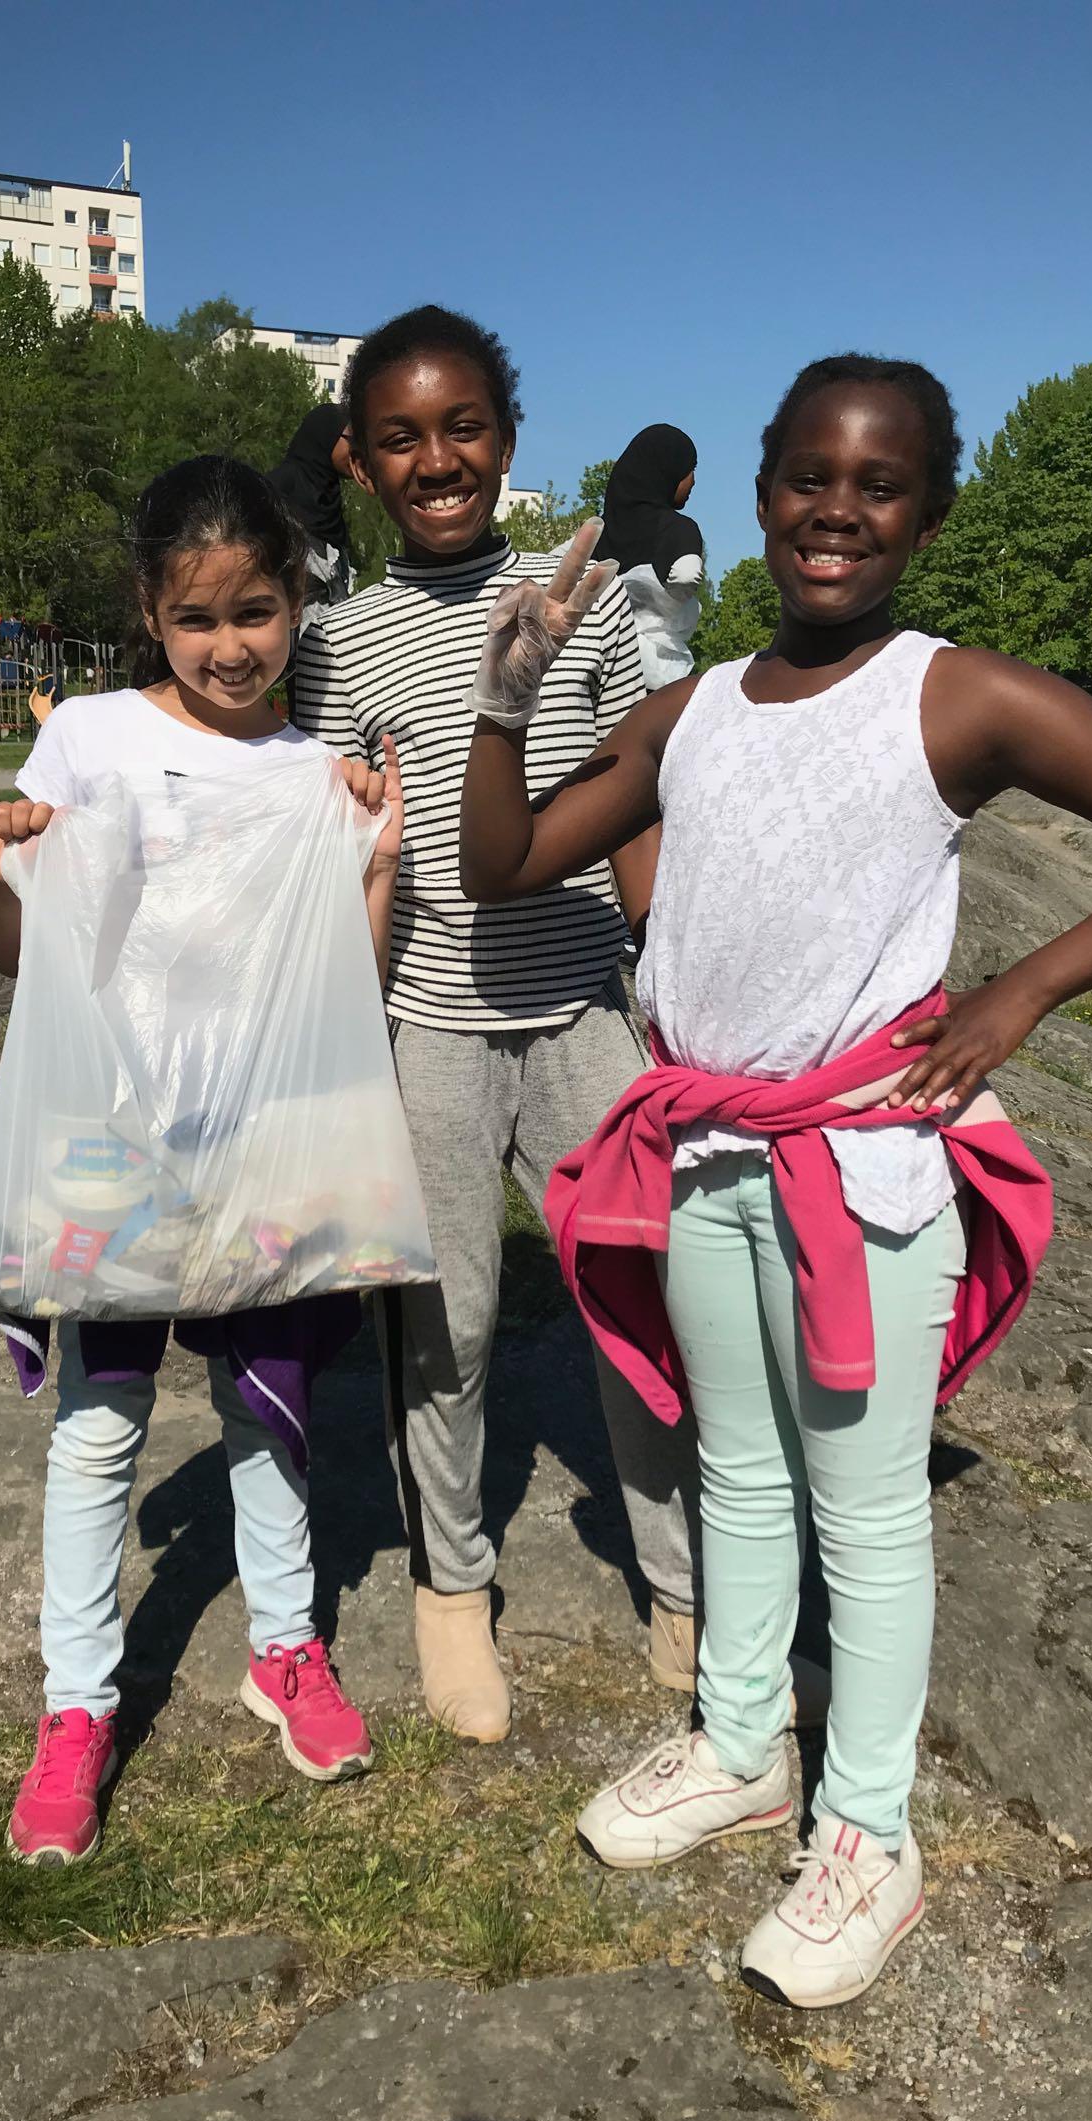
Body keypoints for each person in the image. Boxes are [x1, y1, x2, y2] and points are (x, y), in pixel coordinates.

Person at [457, 353, 1092, 2007]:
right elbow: (508, 860)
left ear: (925, 512)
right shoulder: (697, 707)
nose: (838, 506)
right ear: (760, 496)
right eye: (810, 475)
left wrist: (1018, 991)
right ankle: (747, 1740)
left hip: (863, 1168)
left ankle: (871, 1830)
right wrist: (507, 696)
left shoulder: (952, 694)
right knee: (738, 1467)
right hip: (708, 1150)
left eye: (877, 483)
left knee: (868, 1508)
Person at [0, 455, 403, 1865]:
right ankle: (76, 1706)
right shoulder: (89, 740)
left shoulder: (309, 773)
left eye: (259, 611)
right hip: (110, 1138)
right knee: (100, 1431)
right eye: (198, 616)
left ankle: (284, 1647)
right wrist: (0, 869)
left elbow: (360, 970)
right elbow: (15, 959)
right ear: (152, 610)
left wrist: (378, 858)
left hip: (263, 1136)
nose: (231, 645)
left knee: (266, 1408)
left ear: (297, 606)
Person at [290, 306, 702, 1745]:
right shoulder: (336, 640)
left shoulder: (570, 593)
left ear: (507, 442)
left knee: (642, 1306)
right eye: (400, 436)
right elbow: (344, 844)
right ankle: (451, 1588)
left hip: (584, 1005)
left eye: (463, 426)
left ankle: (683, 1586)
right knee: (447, 1322)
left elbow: (625, 796)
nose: (438, 457)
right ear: (360, 462)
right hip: (433, 1029)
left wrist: (666, 981)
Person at [594, 426, 706, 690]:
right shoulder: (679, 528)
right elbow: (686, 575)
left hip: (602, 667)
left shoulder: (598, 532)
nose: (693, 481)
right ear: (668, 472)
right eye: (690, 470)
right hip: (657, 673)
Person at [267, 405, 356, 630]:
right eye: (353, 441)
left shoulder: (327, 499)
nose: (359, 451)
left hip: (329, 638)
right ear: (325, 437)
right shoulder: (277, 490)